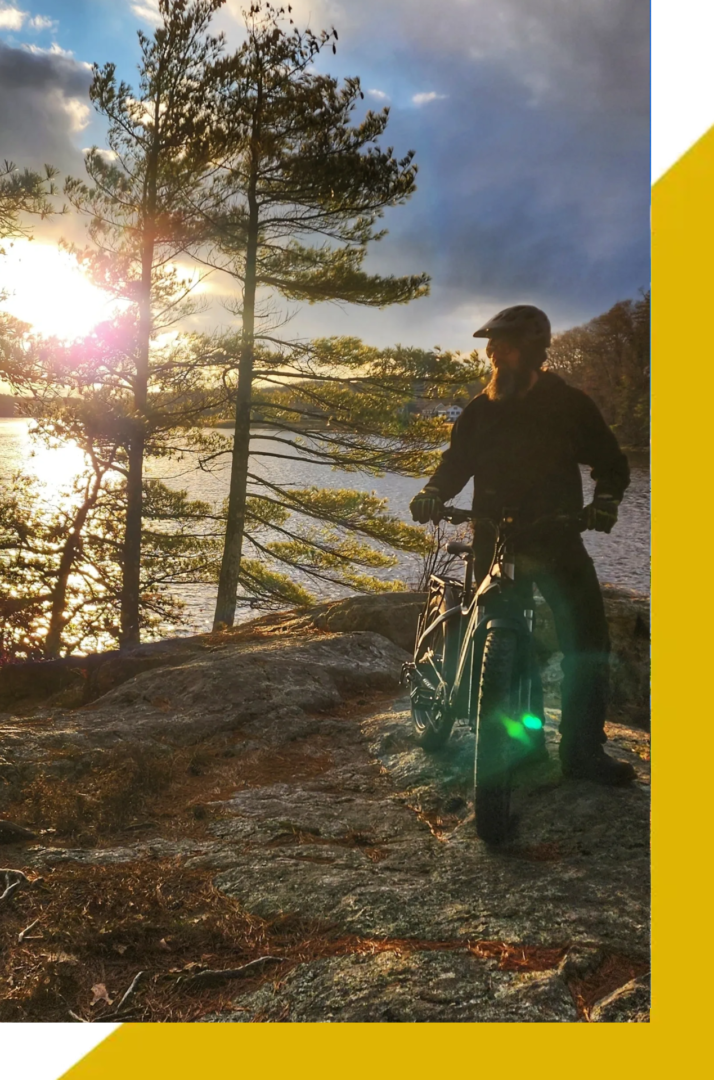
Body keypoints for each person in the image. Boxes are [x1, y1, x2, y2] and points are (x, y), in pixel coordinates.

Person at [409, 304, 636, 786]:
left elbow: (611, 463)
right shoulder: (480, 409)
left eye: (502, 347)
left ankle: (582, 752)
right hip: (494, 541)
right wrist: (433, 491)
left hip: (557, 539)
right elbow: (456, 463)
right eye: (490, 348)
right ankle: (516, 741)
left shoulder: (569, 406)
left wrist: (606, 503)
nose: (491, 355)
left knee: (587, 640)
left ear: (532, 352)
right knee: (497, 637)